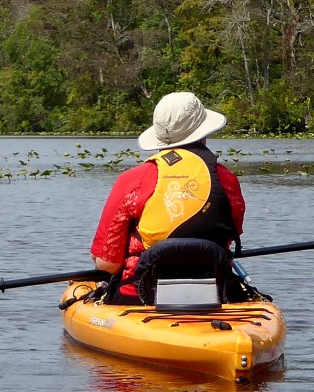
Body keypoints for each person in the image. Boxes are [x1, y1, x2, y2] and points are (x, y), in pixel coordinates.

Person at [90, 92, 245, 303]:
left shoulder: (133, 180)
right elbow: (229, 237)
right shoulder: (227, 180)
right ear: (203, 133)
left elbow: (108, 263)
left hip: (139, 296)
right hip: (216, 293)